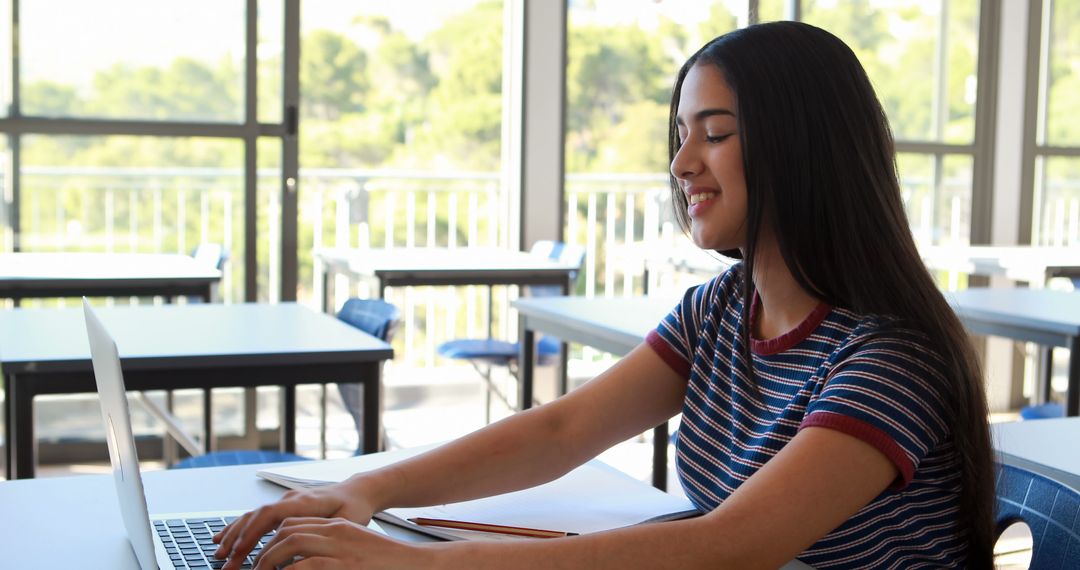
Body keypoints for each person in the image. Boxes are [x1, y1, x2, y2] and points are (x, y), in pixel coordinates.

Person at [214, 21, 994, 569]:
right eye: (680, 134)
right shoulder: (721, 309)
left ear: (805, 146)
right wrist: (364, 490)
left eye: (714, 133)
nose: (682, 161)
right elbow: (562, 429)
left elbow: (732, 546)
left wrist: (406, 566)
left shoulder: (892, 357)